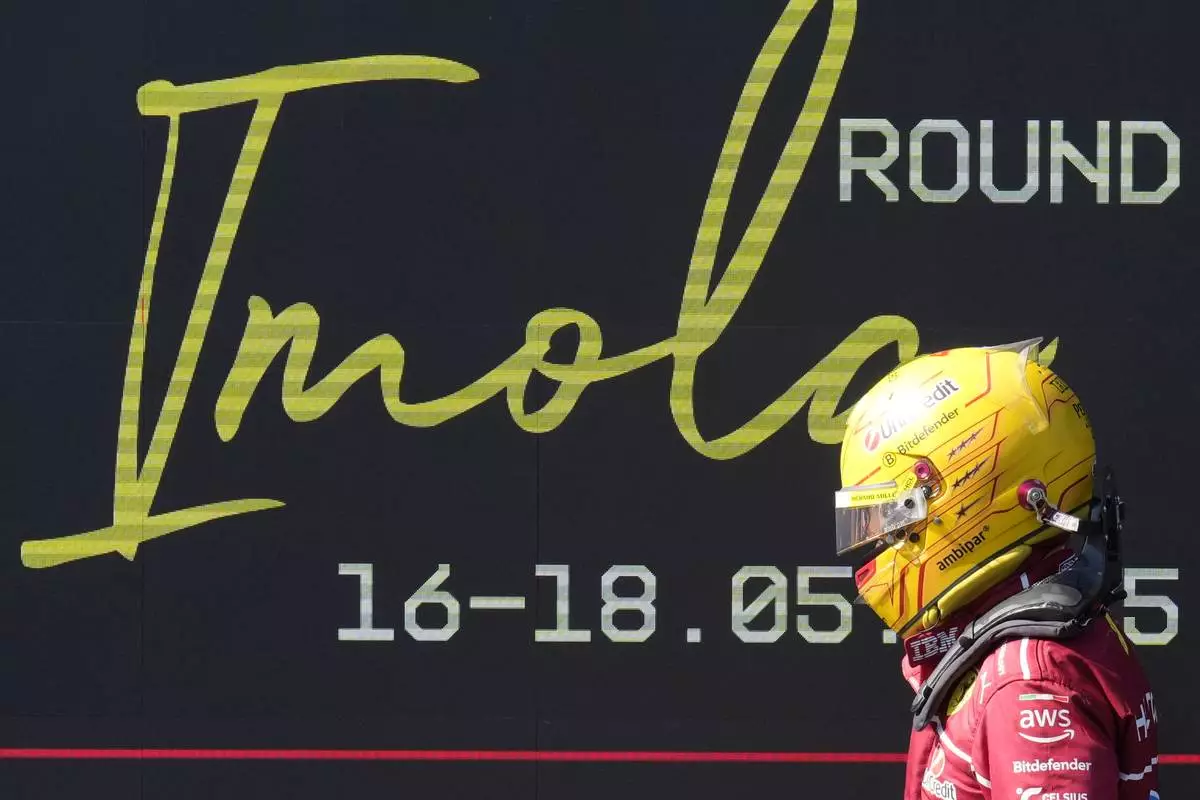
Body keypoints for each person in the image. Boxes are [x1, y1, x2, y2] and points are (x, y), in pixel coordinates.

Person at [833, 340, 1160, 800]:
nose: (884, 541)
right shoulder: (1035, 637)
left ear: (969, 494)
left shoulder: (1029, 678)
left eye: (893, 517)